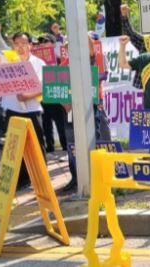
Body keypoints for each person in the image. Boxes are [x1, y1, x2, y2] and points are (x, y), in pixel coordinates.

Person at [0, 30, 47, 189]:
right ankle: (21, 180)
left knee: (38, 145)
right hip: (12, 110)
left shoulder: (39, 63)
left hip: (33, 109)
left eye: (24, 44)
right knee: (15, 147)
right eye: (17, 44)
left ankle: (41, 179)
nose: (20, 47)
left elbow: (45, 88)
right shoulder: (10, 59)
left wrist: (27, 96)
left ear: (30, 45)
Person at [59, 32, 113, 194]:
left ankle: (101, 175)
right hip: (70, 110)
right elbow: (57, 89)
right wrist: (66, 105)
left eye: (74, 45)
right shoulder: (63, 65)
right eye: (68, 46)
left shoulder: (89, 61)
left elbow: (91, 51)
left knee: (96, 138)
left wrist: (81, 32)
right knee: (71, 142)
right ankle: (76, 177)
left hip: (92, 106)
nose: (71, 49)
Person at [38, 34, 67, 154]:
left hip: (56, 93)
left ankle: (66, 147)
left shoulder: (60, 58)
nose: (43, 44)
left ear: (54, 44)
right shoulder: (36, 60)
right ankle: (49, 146)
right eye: (41, 42)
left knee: (61, 122)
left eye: (46, 41)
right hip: (42, 94)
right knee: (45, 122)